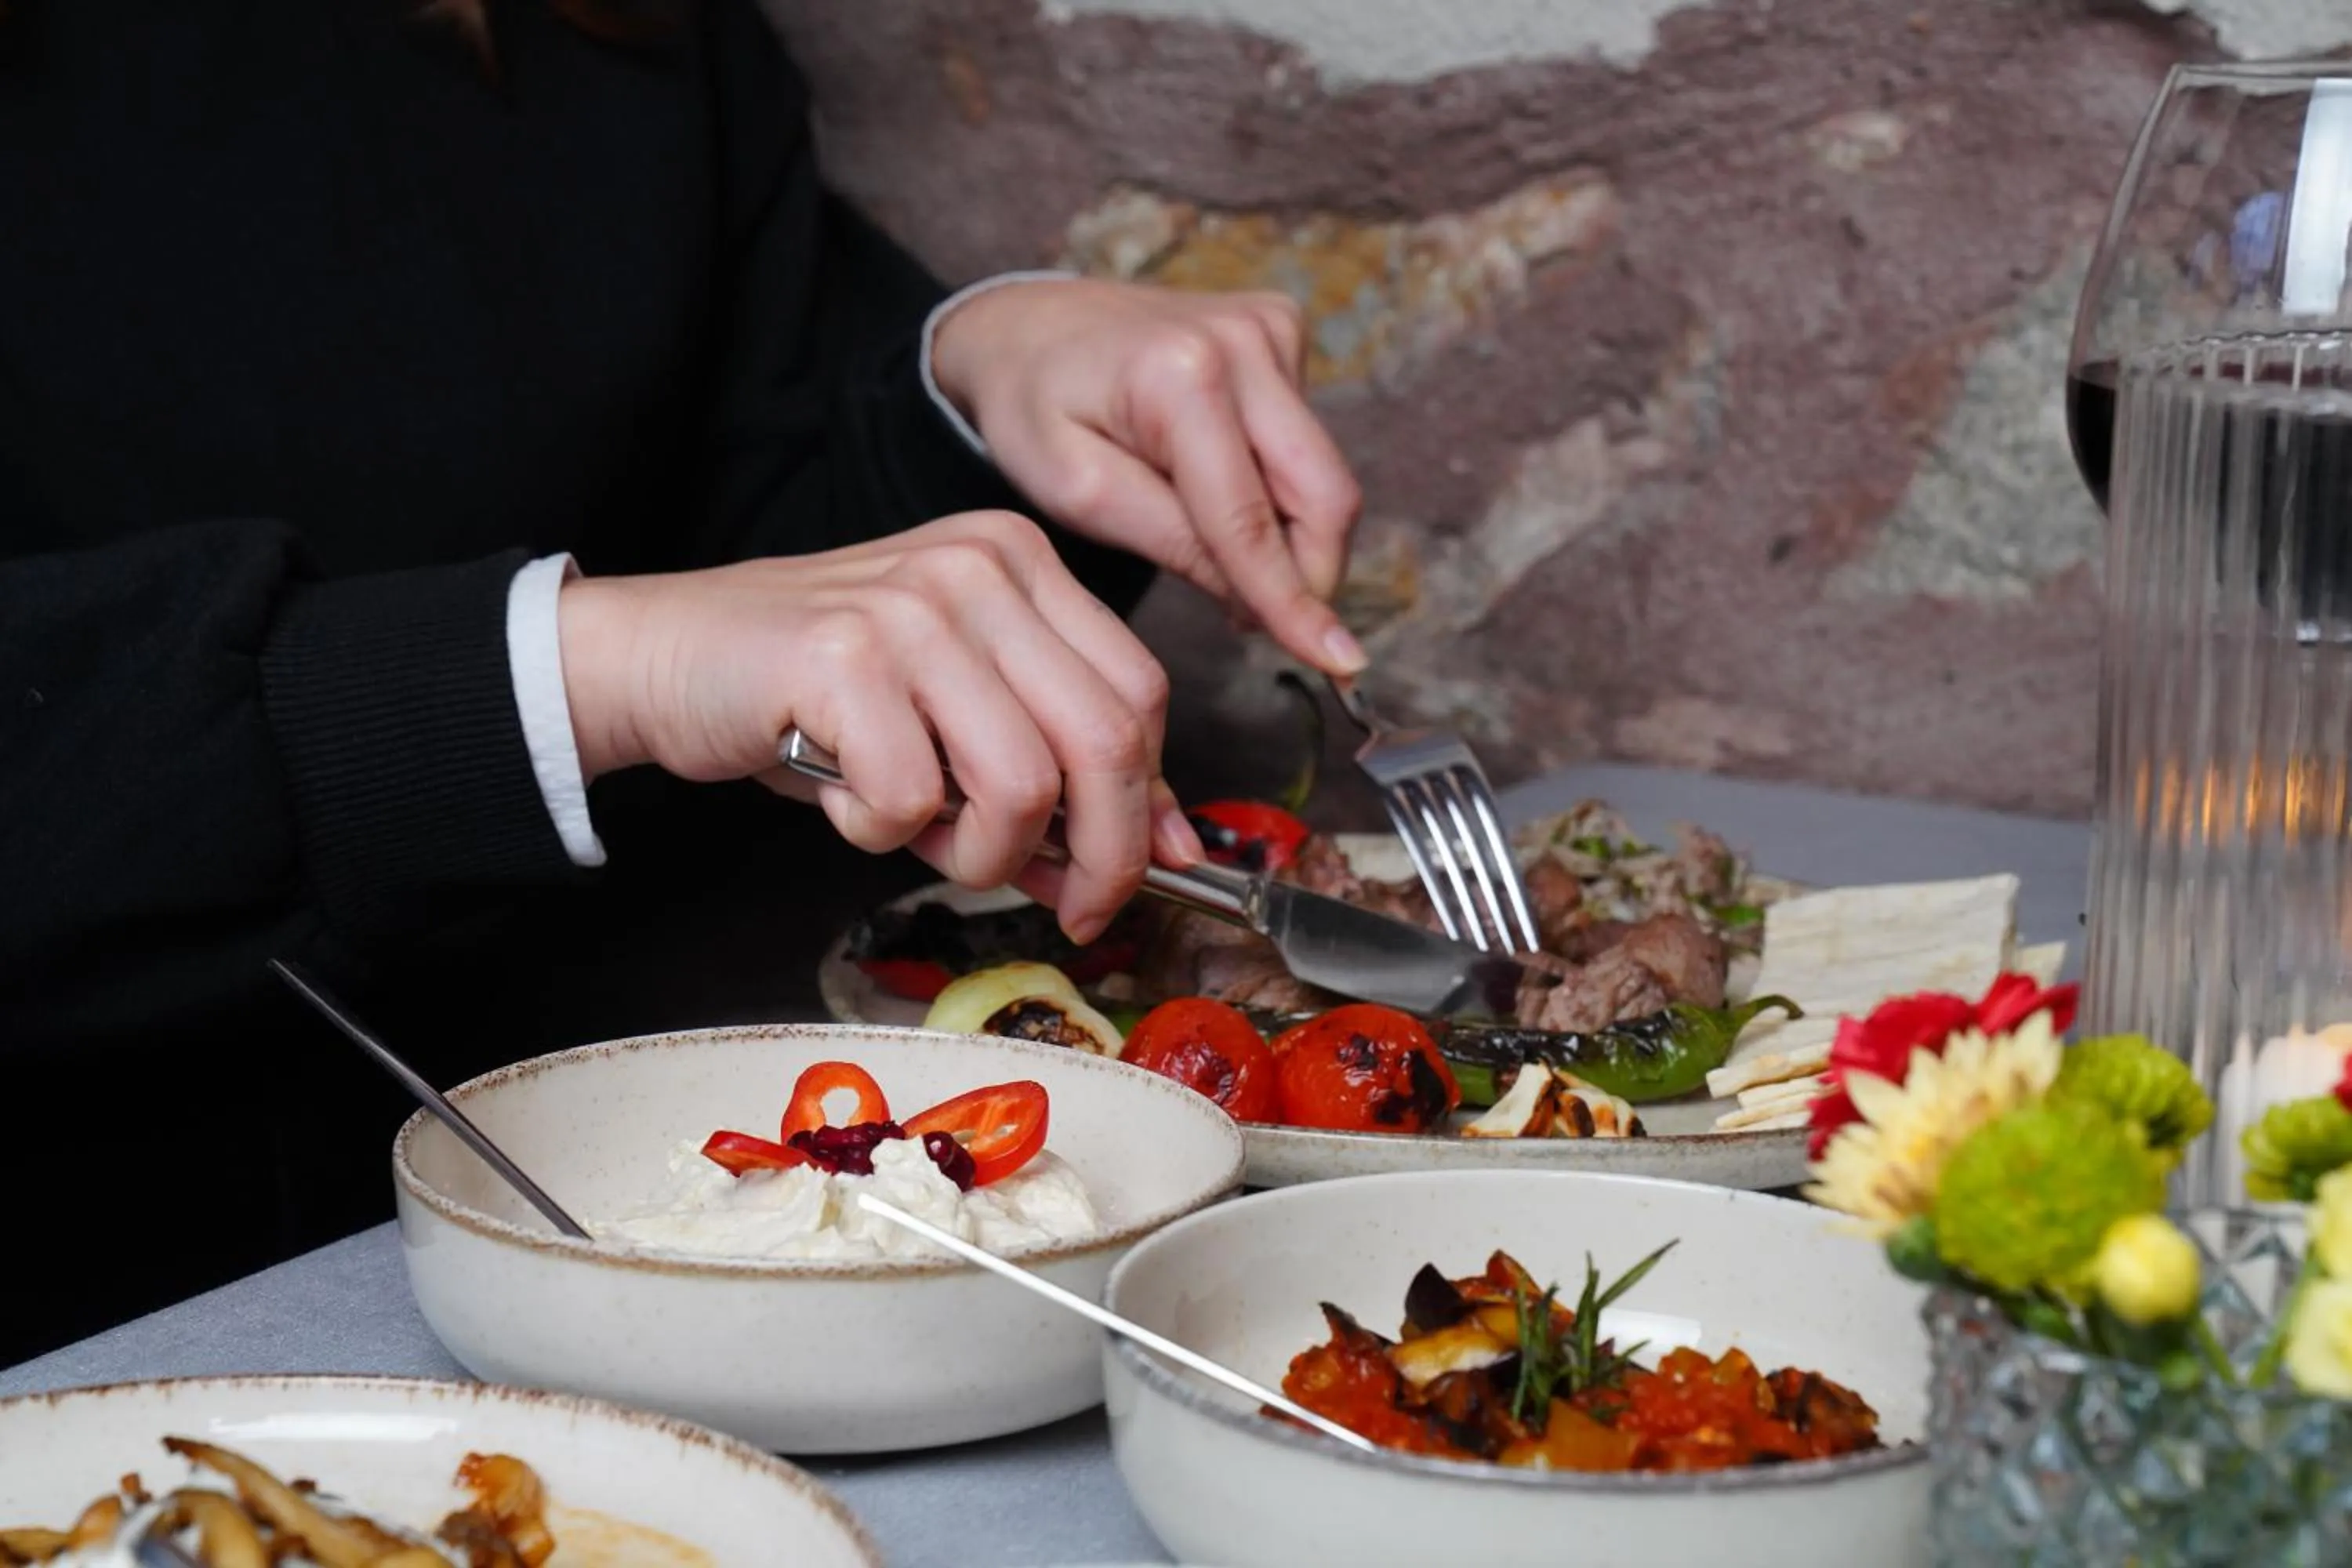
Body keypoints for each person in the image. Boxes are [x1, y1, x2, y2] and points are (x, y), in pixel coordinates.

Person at [0, 0, 1363, 1364]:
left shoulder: (622, 38)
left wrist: (976, 390)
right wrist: (557, 672)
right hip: (115, 1299)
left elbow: (741, 545)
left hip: (664, 1236)